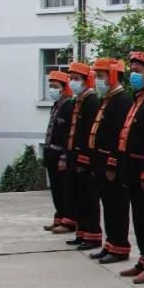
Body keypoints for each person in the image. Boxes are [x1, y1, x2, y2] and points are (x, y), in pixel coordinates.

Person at [117, 52, 144, 282]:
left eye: (138, 71)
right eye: (131, 71)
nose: (133, 75)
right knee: (139, 218)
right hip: (131, 168)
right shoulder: (139, 97)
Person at [86, 58, 133, 264]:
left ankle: (120, 246)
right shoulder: (107, 99)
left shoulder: (122, 101)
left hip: (111, 165)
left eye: (101, 76)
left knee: (117, 207)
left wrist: (113, 164)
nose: (97, 80)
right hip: (100, 163)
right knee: (108, 206)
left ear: (113, 76)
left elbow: (120, 136)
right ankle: (110, 244)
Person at [63, 61, 102, 251]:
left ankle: (92, 235)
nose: (72, 82)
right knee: (78, 197)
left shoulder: (92, 101)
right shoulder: (77, 101)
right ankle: (82, 233)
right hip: (73, 157)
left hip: (84, 161)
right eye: (71, 79)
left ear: (87, 82)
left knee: (89, 199)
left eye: (76, 79)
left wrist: (83, 160)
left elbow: (90, 135)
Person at [42, 70, 75, 235]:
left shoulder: (69, 106)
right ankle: (59, 218)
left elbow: (68, 134)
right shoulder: (56, 105)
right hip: (51, 154)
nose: (52, 90)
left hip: (61, 156)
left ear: (64, 88)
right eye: (50, 86)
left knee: (64, 189)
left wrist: (64, 157)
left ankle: (68, 221)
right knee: (55, 189)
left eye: (55, 87)